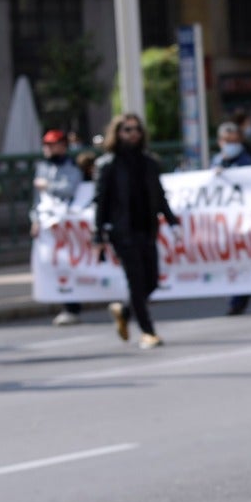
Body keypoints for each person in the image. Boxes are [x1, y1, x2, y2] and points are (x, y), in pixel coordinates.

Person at [93, 113, 180, 349]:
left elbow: (160, 196)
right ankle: (147, 331)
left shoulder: (149, 162)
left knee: (152, 279)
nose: (133, 134)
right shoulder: (108, 165)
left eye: (136, 129)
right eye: (127, 129)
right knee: (137, 282)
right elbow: (100, 201)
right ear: (117, 133)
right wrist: (97, 234)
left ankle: (124, 310)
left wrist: (172, 222)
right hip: (123, 232)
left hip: (147, 228)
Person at [33, 129, 86, 325]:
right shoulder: (42, 167)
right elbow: (37, 199)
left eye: (52, 144)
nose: (48, 148)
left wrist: (48, 186)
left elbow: (70, 189)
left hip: (69, 223)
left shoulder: (71, 166)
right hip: (49, 224)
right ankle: (67, 304)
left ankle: (74, 304)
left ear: (62, 146)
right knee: (55, 263)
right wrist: (35, 220)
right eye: (46, 144)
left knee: (74, 262)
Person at [213, 121, 251, 316]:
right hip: (223, 221)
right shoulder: (216, 161)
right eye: (227, 140)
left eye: (235, 140)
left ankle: (239, 297)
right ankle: (234, 295)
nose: (231, 144)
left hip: (242, 218)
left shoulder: (246, 161)